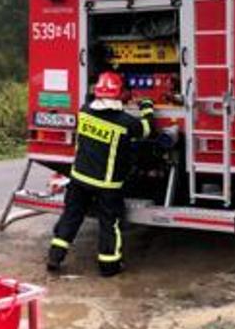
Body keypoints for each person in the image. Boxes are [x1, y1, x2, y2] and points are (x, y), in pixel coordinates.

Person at [47, 71, 157, 277]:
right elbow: (147, 130)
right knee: (109, 222)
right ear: (119, 95)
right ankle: (109, 265)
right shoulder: (125, 122)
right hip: (107, 185)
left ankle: (55, 256)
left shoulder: (85, 111)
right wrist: (147, 107)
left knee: (71, 216)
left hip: (79, 178)